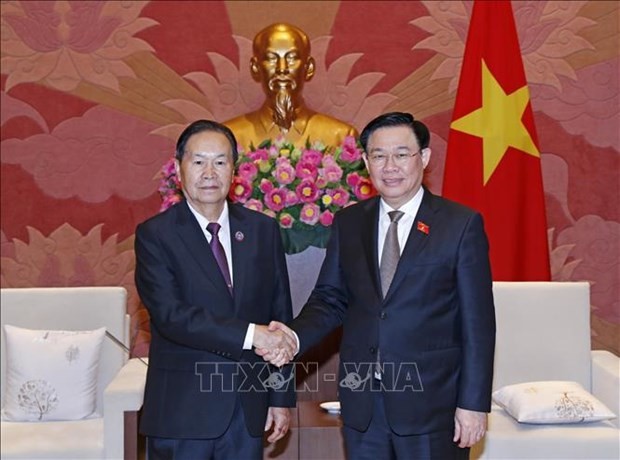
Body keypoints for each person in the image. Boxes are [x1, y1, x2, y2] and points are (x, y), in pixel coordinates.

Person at [261, 112, 496, 459]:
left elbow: (478, 324)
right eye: (379, 156)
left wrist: (473, 404)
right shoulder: (350, 222)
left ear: (424, 158)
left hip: (432, 406)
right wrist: (293, 338)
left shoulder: (459, 225)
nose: (391, 166)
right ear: (366, 163)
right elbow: (330, 299)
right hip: (363, 406)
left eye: (402, 154)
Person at [134, 119, 297, 459]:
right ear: (179, 171)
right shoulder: (156, 235)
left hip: (246, 412)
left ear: (234, 172)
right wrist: (253, 335)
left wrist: (279, 398)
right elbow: (171, 316)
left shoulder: (262, 230)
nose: (210, 172)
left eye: (220, 162)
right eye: (198, 161)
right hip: (181, 415)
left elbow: (279, 315)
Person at [224, 23, 357, 150]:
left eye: (292, 58)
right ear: (255, 68)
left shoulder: (341, 137)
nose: (282, 69)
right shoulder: (228, 137)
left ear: (309, 67)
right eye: (271, 58)